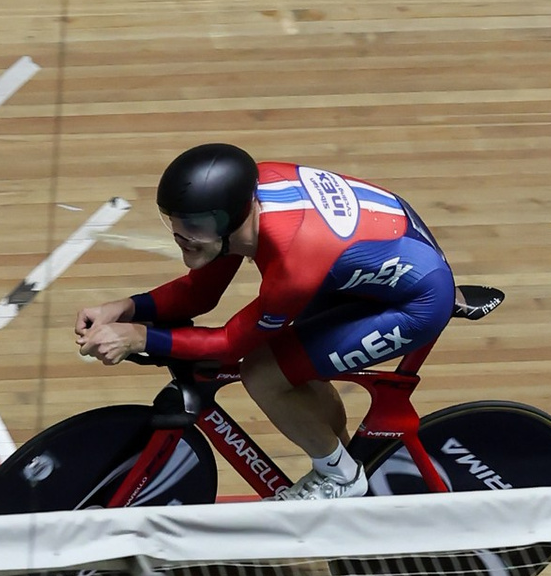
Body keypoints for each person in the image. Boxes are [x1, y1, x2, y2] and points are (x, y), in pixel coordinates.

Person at [74, 140, 458, 499]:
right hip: (366, 261)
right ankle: (339, 453)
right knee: (297, 364)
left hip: (417, 300)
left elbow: (230, 345)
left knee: (263, 372)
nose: (179, 235)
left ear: (229, 220)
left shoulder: (292, 266)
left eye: (193, 226)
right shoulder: (239, 203)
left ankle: (341, 477)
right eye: (173, 221)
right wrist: (124, 308)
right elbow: (199, 294)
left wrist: (140, 338)